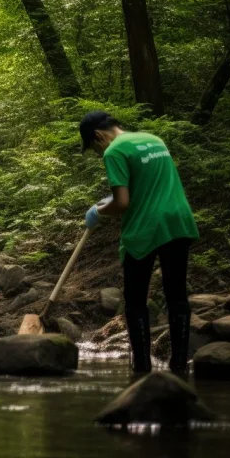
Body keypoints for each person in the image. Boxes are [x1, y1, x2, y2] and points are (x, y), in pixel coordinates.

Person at [80, 111, 198, 376]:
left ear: (98, 136)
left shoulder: (113, 152)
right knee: (177, 295)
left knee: (135, 300)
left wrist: (99, 212)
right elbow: (147, 184)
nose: (99, 154)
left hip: (145, 228)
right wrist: (106, 201)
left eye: (94, 148)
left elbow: (122, 202)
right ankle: (179, 366)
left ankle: (141, 369)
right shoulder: (153, 139)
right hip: (178, 220)